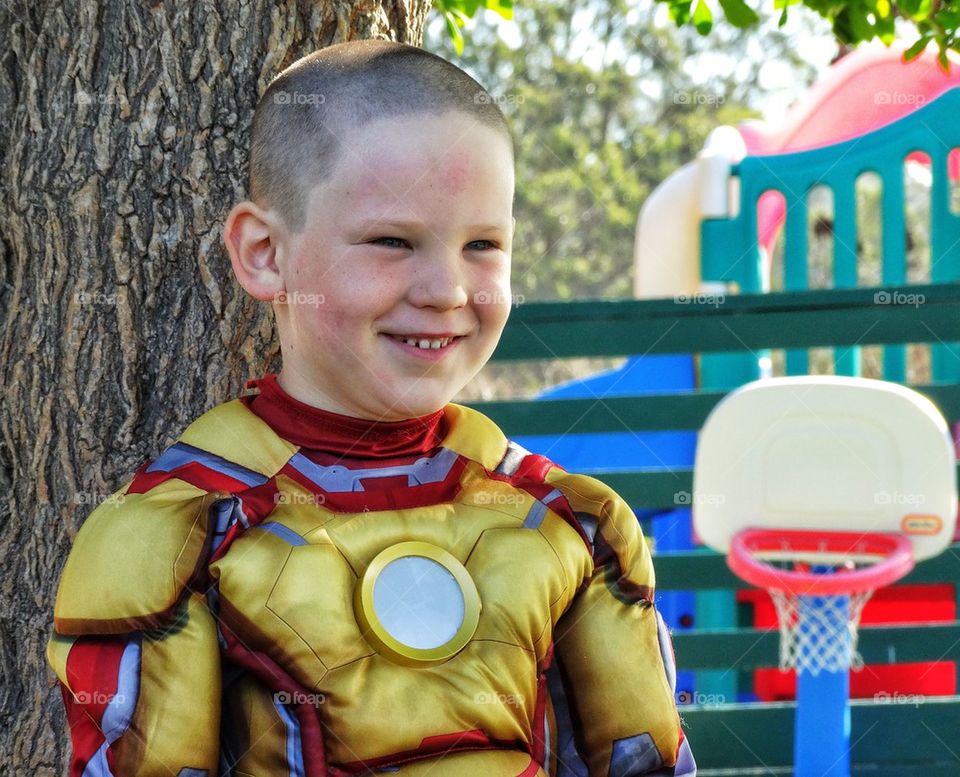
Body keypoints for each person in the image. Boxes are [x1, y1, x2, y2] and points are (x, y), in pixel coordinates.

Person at [45, 39, 696, 777]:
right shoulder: (176, 540)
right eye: (393, 241)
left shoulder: (574, 521)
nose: (446, 290)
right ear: (264, 252)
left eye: (483, 244)